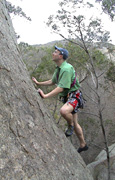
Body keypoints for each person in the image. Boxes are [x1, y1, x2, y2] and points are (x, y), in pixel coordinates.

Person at [32, 46, 88, 153]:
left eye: (55, 52)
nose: (53, 53)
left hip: (74, 95)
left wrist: (45, 96)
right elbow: (53, 81)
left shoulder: (66, 69)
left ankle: (70, 125)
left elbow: (61, 87)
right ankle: (83, 144)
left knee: (64, 111)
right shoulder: (59, 68)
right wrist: (38, 83)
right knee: (75, 122)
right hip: (69, 96)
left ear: (60, 56)